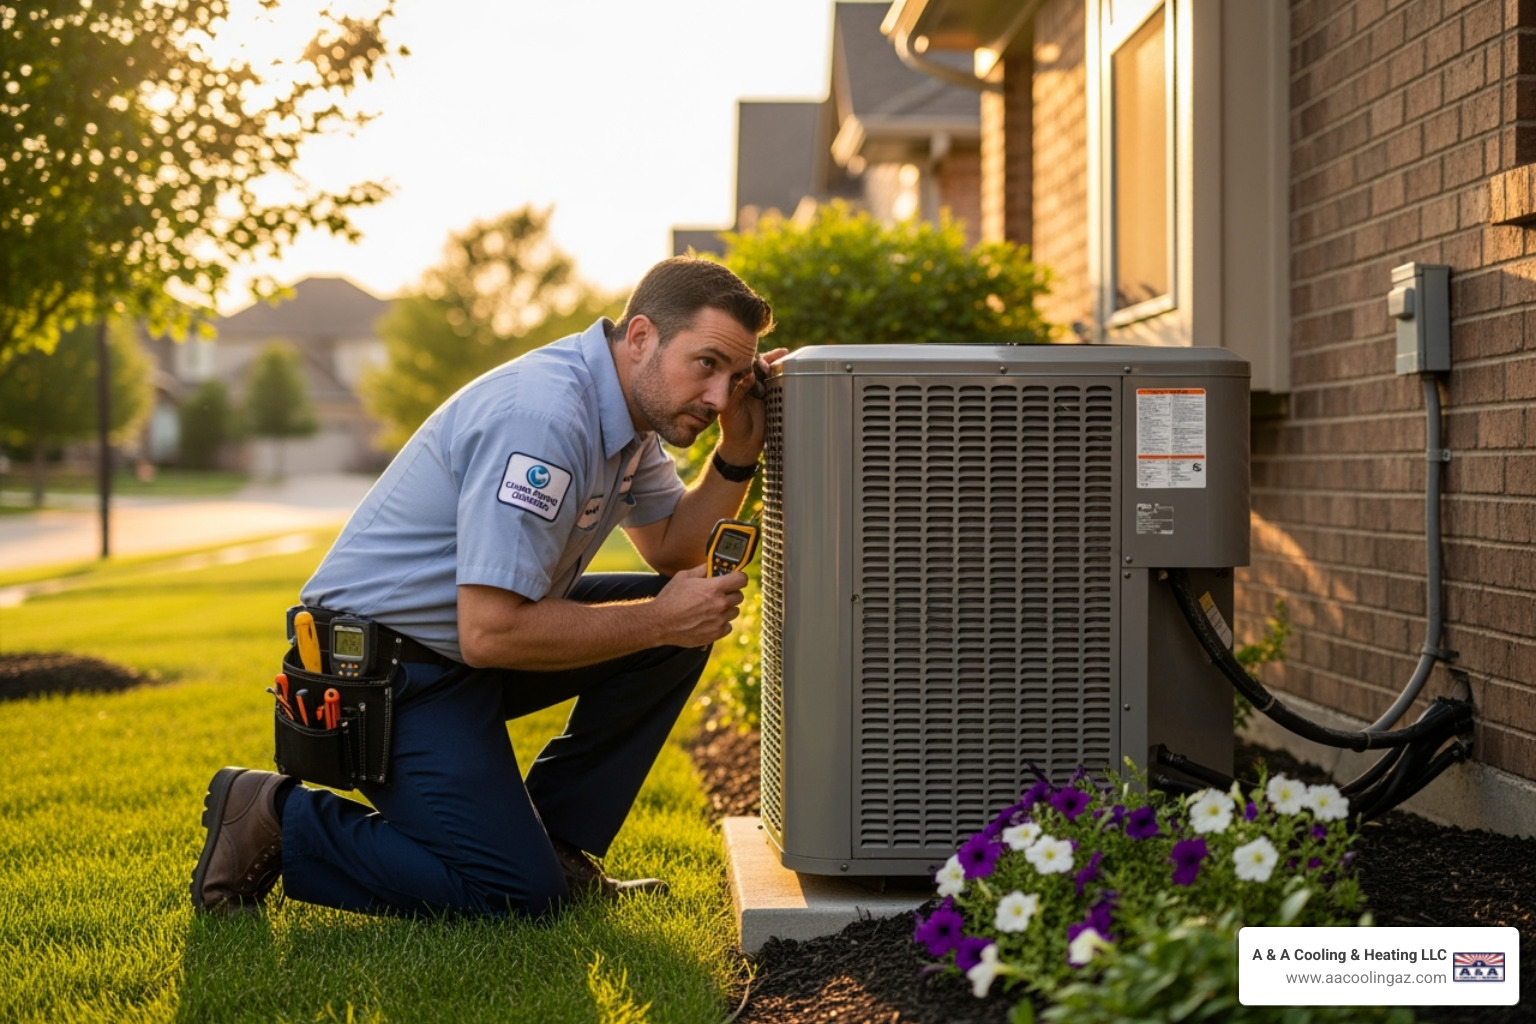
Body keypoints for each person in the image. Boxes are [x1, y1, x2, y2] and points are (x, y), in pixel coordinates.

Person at [190, 256, 781, 918]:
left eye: (737, 378)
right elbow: (492, 630)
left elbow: (674, 547)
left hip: (458, 651)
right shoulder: (546, 419)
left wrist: (737, 454)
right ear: (641, 337)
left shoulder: (628, 417)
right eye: (706, 365)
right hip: (383, 673)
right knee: (511, 896)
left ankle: (555, 847)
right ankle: (273, 816)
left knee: (671, 634)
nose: (721, 396)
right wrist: (660, 620)